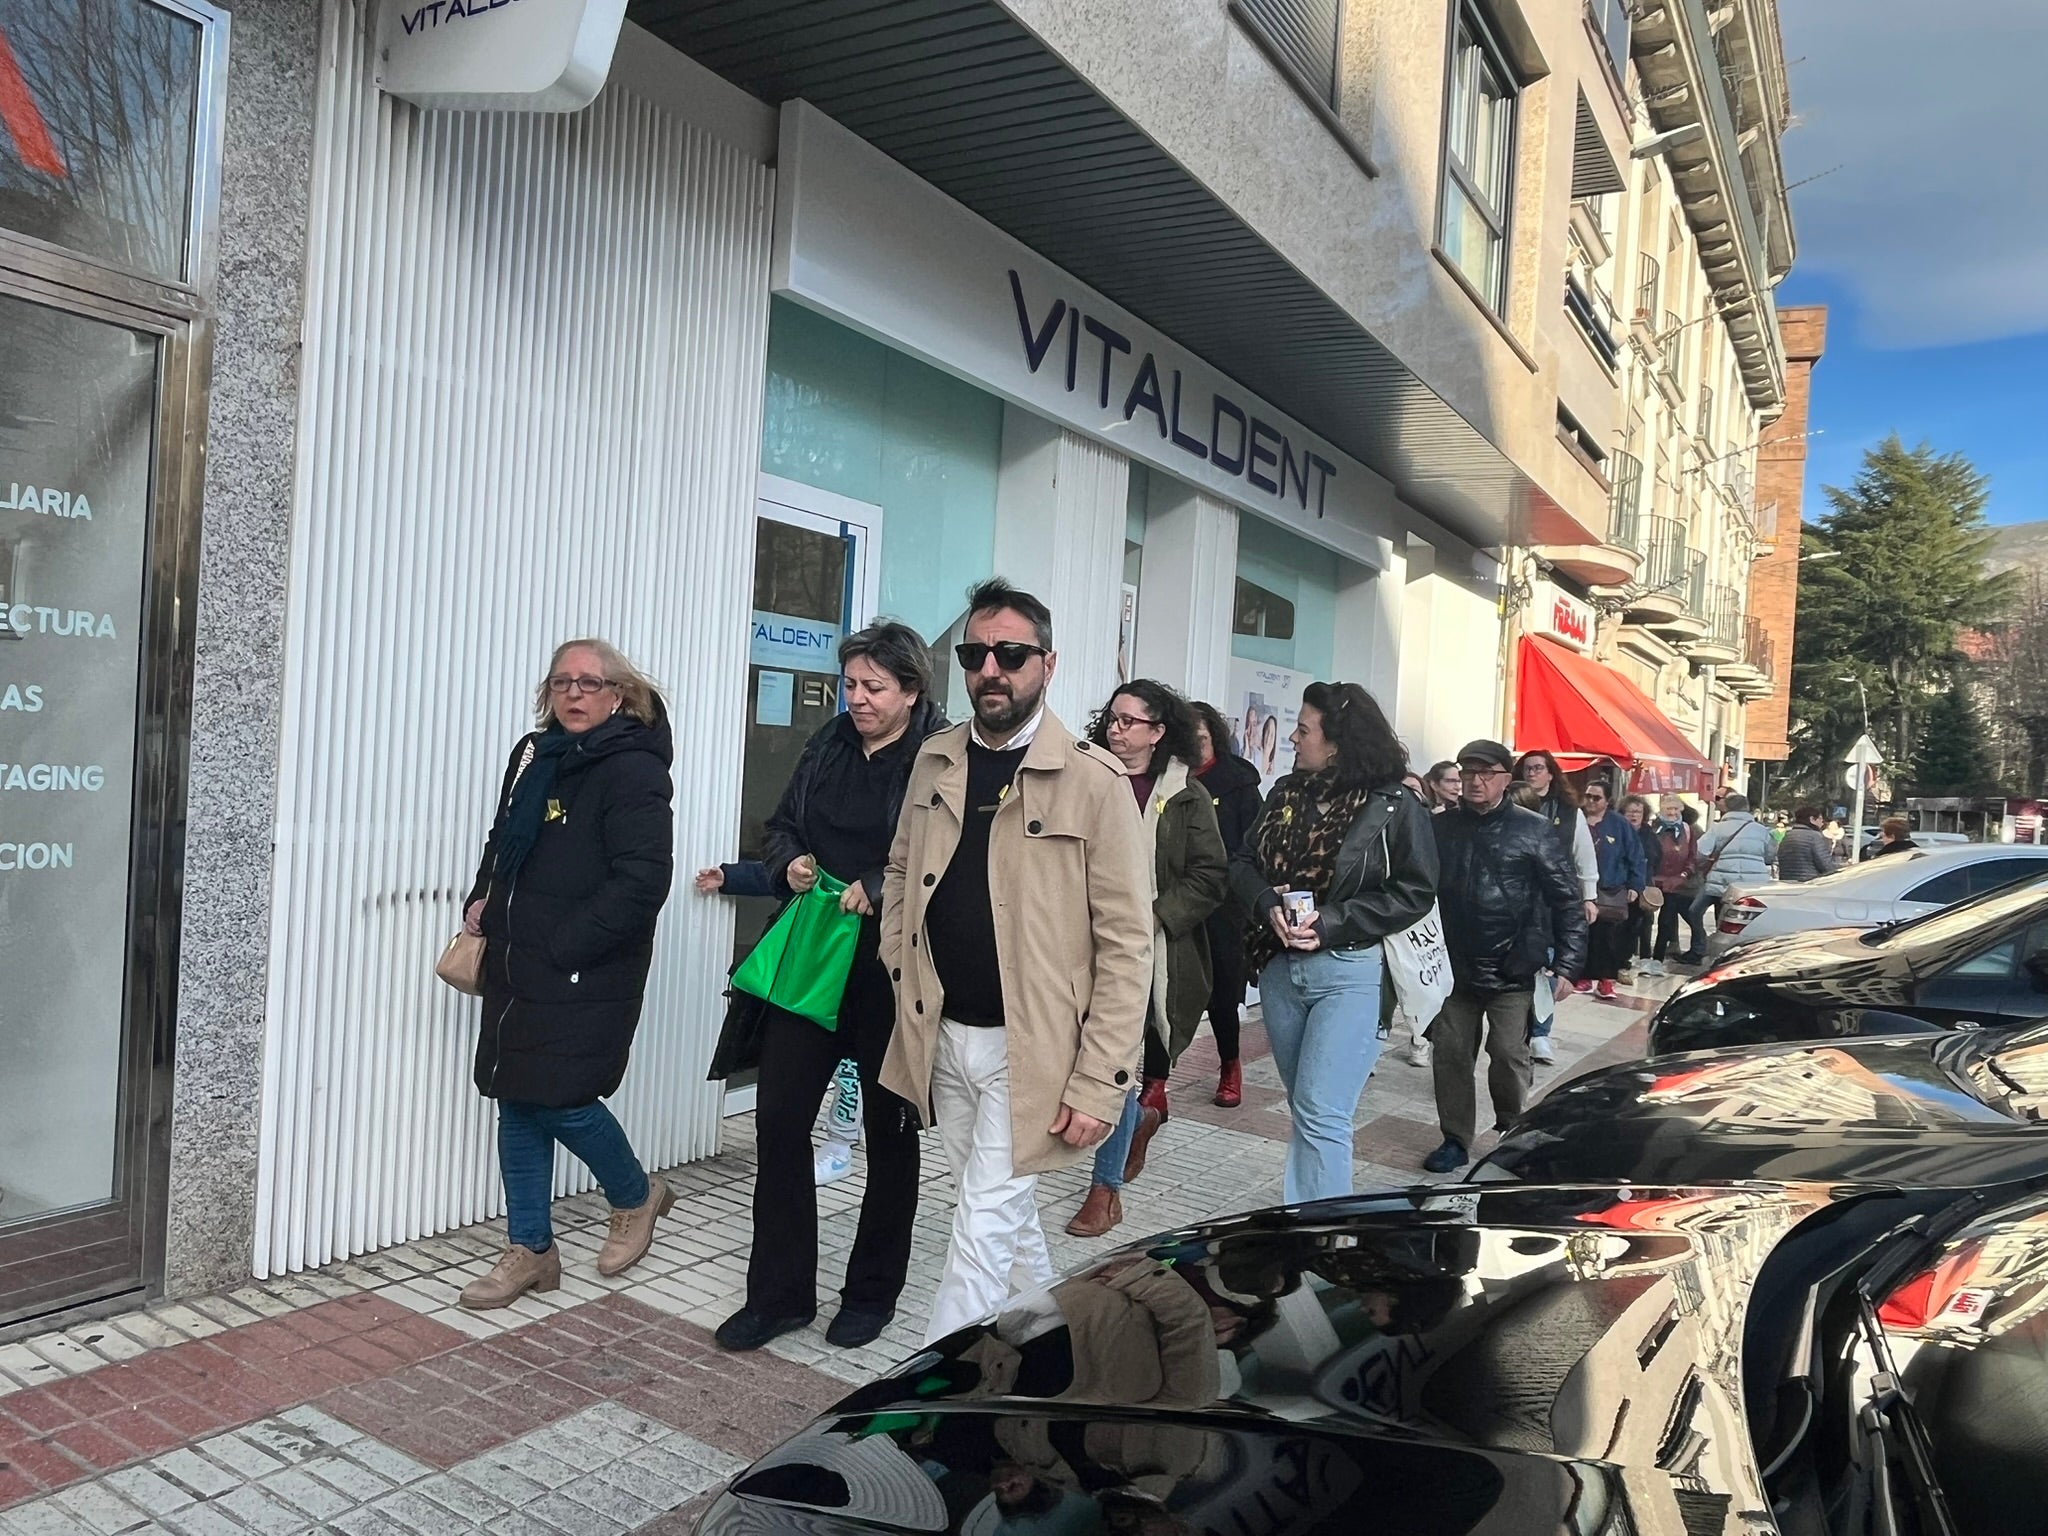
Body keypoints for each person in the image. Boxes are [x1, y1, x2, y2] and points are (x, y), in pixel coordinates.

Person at [881, 580, 1154, 1344]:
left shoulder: (1098, 783)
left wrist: (1102, 1078)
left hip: (1032, 1050)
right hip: (946, 1036)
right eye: (975, 654)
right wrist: (899, 956)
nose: (991, 669)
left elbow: (1128, 945)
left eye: (1010, 653)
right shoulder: (935, 760)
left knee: (980, 1221)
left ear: (1048, 663)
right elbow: (901, 870)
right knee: (1000, 1212)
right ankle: (1049, 1345)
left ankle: (933, 1405)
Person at [715, 620, 944, 1353]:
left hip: (890, 971)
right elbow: (780, 827)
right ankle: (778, 1296)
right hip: (814, 959)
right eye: (850, 685)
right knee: (780, 1123)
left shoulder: (941, 761)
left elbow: (954, 860)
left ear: (911, 691)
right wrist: (790, 864)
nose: (858, 699)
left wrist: (882, 885)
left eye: (874, 687)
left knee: (889, 1135)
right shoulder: (825, 745)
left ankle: (873, 1292)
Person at [456, 639, 676, 1309]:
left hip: (582, 966)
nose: (574, 694)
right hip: (515, 957)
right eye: (561, 683)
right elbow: (504, 840)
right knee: (514, 1093)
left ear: (619, 695)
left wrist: (565, 943)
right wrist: (482, 897)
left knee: (561, 1097)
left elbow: (643, 880)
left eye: (589, 682)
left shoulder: (633, 769)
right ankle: (532, 1251)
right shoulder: (532, 756)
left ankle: (636, 1194)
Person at [1227, 682, 1438, 1204]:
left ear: (1338, 742)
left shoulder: (1393, 805)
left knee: (1323, 1113)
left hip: (1350, 971)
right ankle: (1311, 1221)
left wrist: (1333, 921)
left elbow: (1416, 891)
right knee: (1308, 1109)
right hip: (1279, 974)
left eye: (1304, 729)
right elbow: (1240, 863)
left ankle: (1322, 1241)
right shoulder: (1284, 793)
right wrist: (1264, 902)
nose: (1294, 739)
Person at [1067, 683, 1227, 1237]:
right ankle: (1141, 1118)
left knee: (1118, 1064)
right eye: (1113, 718)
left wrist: (1150, 917)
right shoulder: (1084, 776)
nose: (1117, 729)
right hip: (1074, 943)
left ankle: (1104, 1191)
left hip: (1146, 954)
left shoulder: (1186, 796)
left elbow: (1210, 877)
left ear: (1159, 734)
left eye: (1132, 722)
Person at [1423, 740, 1587, 1175]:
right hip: (1453, 965)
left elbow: (1568, 899)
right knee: (1452, 1053)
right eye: (1468, 772)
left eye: (1485, 773)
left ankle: (1512, 1133)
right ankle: (1455, 1138)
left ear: (1504, 779)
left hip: (1513, 963)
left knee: (1508, 1054)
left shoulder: (1534, 829)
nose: (1475, 781)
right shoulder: (1439, 828)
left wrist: (1568, 964)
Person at [695, 860, 864, 1187]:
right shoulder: (819, 840)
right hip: (814, 963)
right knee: (841, 1065)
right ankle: (842, 1142)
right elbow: (792, 871)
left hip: (861, 964)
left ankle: (841, 1145)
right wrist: (731, 877)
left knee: (850, 1066)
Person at [1189, 700, 1265, 1107]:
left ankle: (1230, 1065)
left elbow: (1251, 847)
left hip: (1223, 904)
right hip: (1178, 898)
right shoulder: (1171, 778)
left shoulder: (1238, 782)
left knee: (1222, 991)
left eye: (1201, 738)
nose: (1195, 746)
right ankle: (1154, 1078)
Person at [1512, 750, 1596, 1057]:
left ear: (1550, 774)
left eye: (1538, 768)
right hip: (1513, 897)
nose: (1532, 773)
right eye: (1527, 768)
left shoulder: (1569, 812)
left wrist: (1589, 896)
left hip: (1550, 900)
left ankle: (1540, 1032)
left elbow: (1583, 853)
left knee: (1546, 962)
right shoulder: (1508, 805)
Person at [1680, 792, 1775, 961]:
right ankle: (1733, 953)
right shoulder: (1762, 830)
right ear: (1747, 808)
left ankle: (1699, 949)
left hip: (1719, 882)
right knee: (1734, 919)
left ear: (1728, 808)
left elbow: (1700, 852)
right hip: (1752, 885)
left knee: (1695, 911)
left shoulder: (1717, 828)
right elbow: (1769, 856)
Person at [1580, 782, 1648, 1001]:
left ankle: (1606, 980)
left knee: (1608, 937)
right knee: (1580, 935)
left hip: (1610, 890)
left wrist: (1635, 886)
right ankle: (1581, 977)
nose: (1590, 801)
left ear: (1607, 801)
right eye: (1588, 796)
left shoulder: (1619, 825)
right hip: (1579, 889)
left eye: (1596, 798)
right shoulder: (1576, 819)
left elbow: (1635, 856)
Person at [1648, 795, 1702, 966]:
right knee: (1644, 920)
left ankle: (1658, 958)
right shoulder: (1652, 828)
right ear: (1661, 809)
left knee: (1667, 921)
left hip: (1675, 883)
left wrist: (1685, 874)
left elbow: (1693, 856)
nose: (1672, 812)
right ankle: (1641, 955)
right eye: (1668, 809)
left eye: (1675, 809)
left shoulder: (1687, 830)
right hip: (1651, 880)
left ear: (1681, 810)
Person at [1620, 795, 1662, 975]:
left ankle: (1644, 957)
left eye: (1638, 811)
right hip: (1621, 885)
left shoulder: (1649, 834)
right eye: (1630, 811)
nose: (1634, 815)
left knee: (1643, 923)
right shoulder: (1619, 830)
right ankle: (1621, 958)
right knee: (1622, 923)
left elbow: (1657, 857)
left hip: (1643, 886)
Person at [1776, 805, 1834, 882]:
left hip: (1786, 882)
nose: (1822, 823)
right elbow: (1825, 865)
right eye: (1820, 819)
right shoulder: (1814, 836)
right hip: (1809, 882)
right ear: (1812, 819)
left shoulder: (1787, 836)